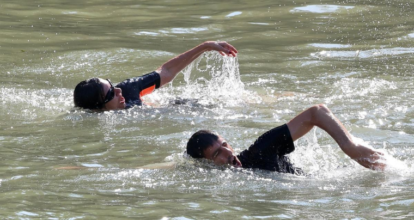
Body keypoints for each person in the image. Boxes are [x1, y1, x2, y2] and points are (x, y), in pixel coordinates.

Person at [186, 104, 387, 175]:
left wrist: (350, 146)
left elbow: (316, 112)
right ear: (205, 164)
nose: (228, 153)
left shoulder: (259, 151)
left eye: (225, 145)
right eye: (217, 154)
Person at [73, 41, 238, 111]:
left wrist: (206, 46)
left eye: (112, 85)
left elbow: (166, 71)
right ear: (97, 109)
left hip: (180, 105)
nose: (118, 92)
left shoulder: (128, 89)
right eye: (111, 94)